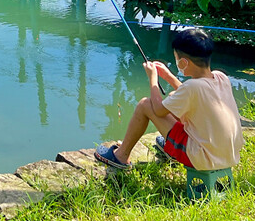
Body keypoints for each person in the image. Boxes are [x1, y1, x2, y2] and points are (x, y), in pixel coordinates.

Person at [94, 28, 244, 171]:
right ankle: (169, 144)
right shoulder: (220, 77)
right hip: (228, 155)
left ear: (184, 62)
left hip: (203, 159)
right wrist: (168, 76)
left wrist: (153, 79)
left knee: (145, 104)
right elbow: (191, 94)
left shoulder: (192, 87)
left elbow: (159, 110)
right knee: (173, 98)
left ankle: (120, 156)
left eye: (177, 59)